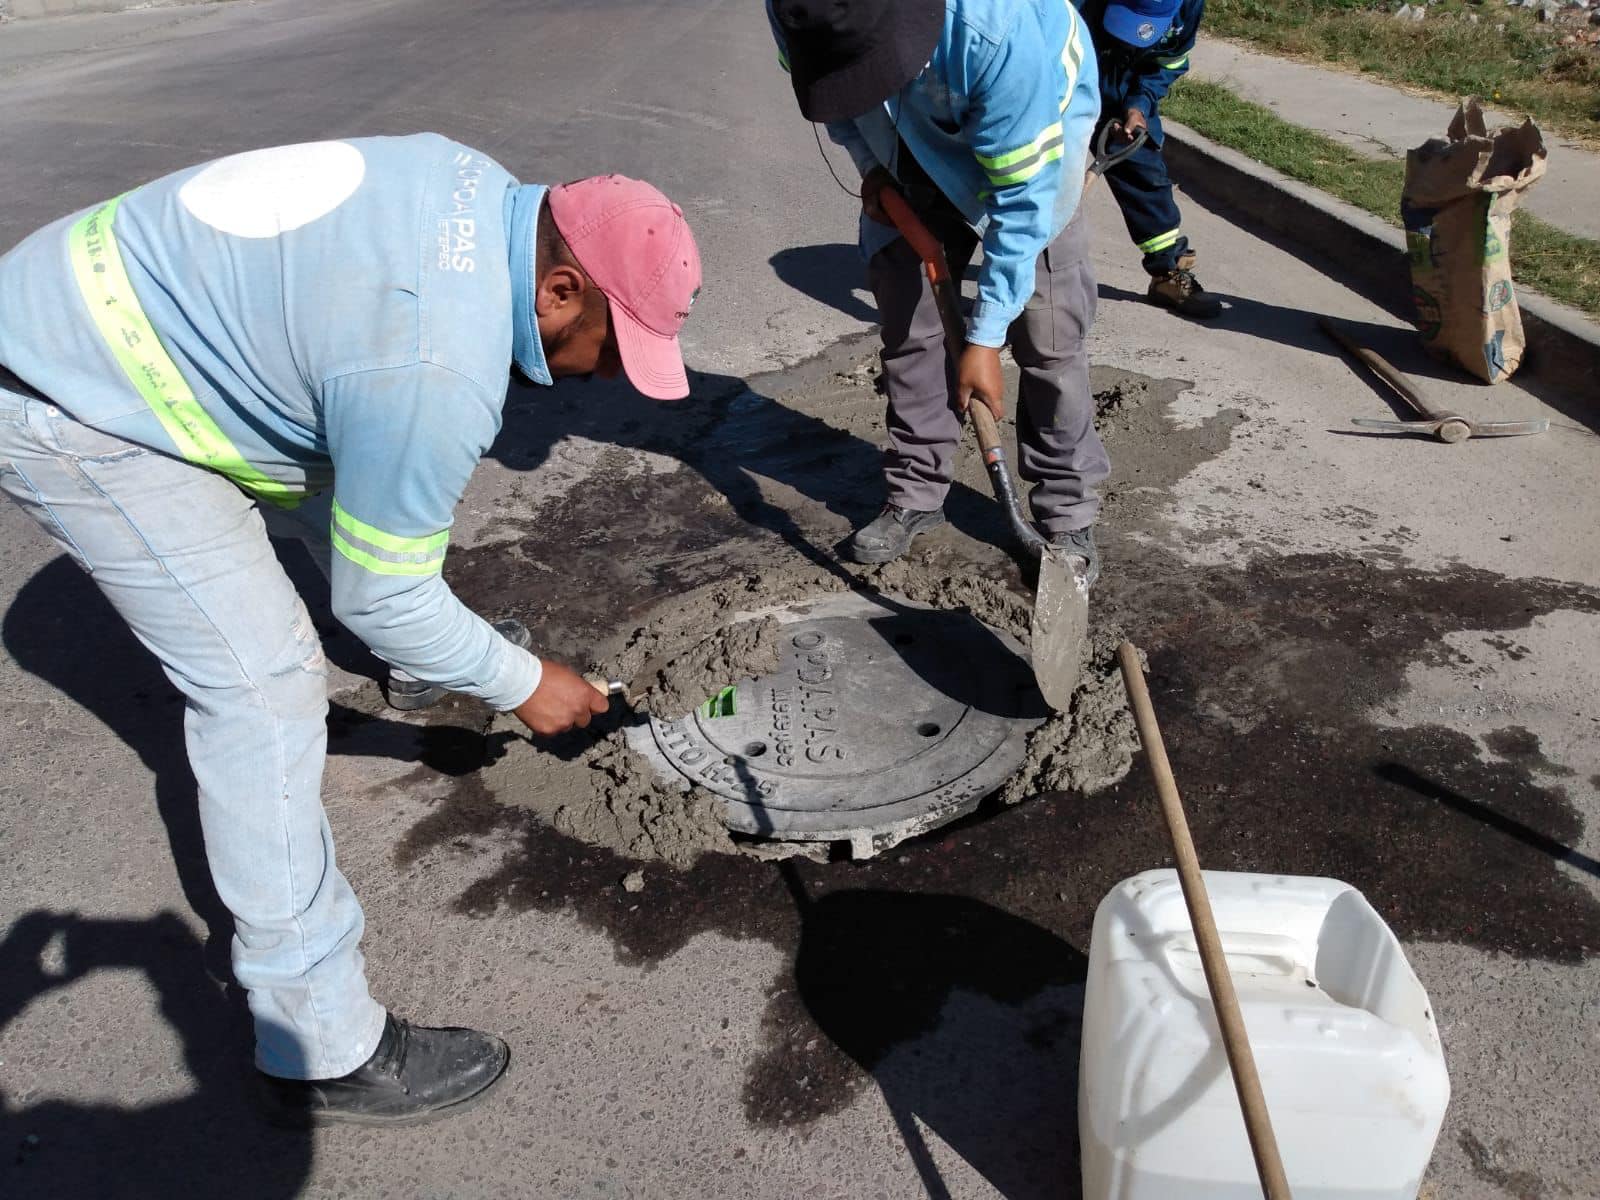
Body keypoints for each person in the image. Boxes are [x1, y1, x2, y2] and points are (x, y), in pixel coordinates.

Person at [0, 135, 702, 1125]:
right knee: (263, 684)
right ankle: (317, 1039)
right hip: (73, 397)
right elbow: (381, 589)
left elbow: (341, 411)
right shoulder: (435, 363)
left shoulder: (475, 188)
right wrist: (519, 680)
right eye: (616, 348)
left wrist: (436, 643)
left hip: (90, 304)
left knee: (350, 471)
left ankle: (420, 664)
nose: (610, 378)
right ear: (557, 290)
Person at [769, 0, 1110, 578]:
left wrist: (984, 339)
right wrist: (871, 167)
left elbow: (1023, 205)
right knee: (907, 320)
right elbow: (832, 93)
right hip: (905, 139)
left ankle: (1067, 510)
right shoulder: (801, 10)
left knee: (1048, 335)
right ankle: (916, 490)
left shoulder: (994, 29)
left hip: (1034, 125)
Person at [1079, 0, 1220, 318]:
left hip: (1124, 90)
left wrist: (1138, 104)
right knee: (1030, 181)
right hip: (1067, 80)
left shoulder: (1188, 9)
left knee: (1146, 178)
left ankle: (1167, 273)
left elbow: (1169, 60)